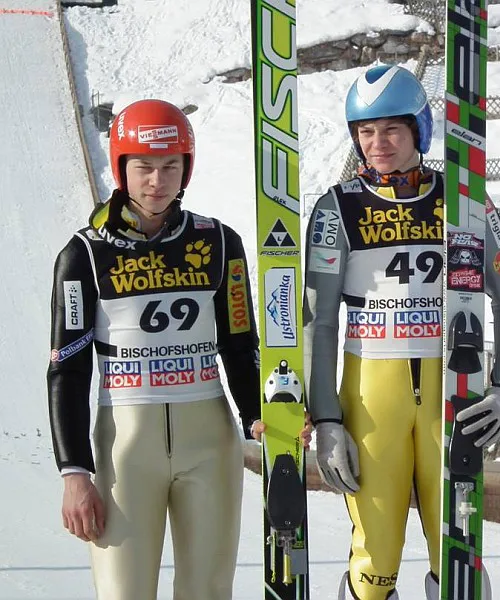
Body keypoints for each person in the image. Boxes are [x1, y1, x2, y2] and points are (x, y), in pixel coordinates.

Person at [47, 99, 309, 599]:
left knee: (207, 591)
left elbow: (240, 343)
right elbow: (67, 370)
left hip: (209, 444)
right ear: (121, 168)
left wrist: (263, 414)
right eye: (143, 167)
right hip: (125, 451)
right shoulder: (84, 253)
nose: (157, 181)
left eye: (171, 166)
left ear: (187, 169)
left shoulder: (220, 242)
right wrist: (74, 473)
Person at [303, 65, 500, 600]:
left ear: (418, 130)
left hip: (449, 394)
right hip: (370, 398)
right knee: (376, 559)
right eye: (365, 131)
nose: (378, 143)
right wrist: (327, 417)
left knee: (456, 558)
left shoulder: (465, 201)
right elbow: (320, 320)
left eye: (391, 130)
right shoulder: (337, 208)